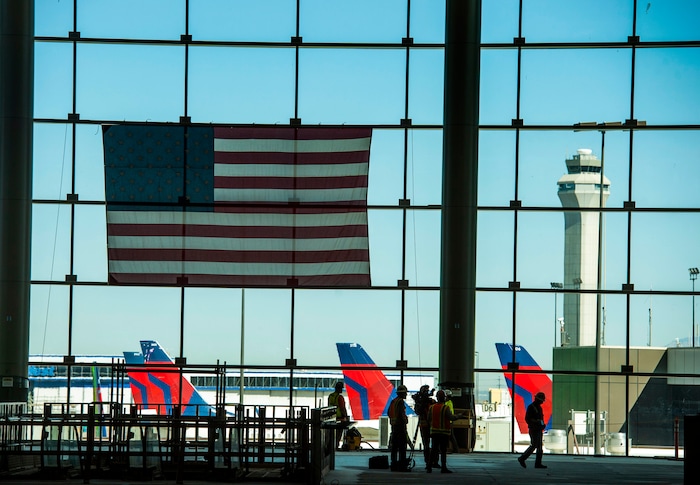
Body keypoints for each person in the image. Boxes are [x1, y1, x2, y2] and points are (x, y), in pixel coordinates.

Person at [427, 390, 466, 474]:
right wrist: (459, 416)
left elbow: (428, 419)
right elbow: (451, 417)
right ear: (444, 398)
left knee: (434, 450)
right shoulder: (445, 408)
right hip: (444, 433)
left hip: (434, 432)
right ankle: (443, 467)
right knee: (443, 451)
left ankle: (429, 467)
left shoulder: (432, 407)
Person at [518, 391, 547, 469]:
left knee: (539, 447)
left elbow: (540, 418)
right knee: (534, 445)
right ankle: (522, 458)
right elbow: (527, 419)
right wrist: (536, 422)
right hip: (534, 429)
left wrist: (542, 425)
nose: (542, 402)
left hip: (538, 429)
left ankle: (538, 463)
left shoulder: (538, 408)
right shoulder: (532, 407)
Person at [412, 385, 436, 468]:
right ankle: (428, 462)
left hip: (430, 425)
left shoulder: (431, 402)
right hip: (426, 425)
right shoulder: (420, 403)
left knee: (433, 445)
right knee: (426, 445)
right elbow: (418, 411)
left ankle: (433, 461)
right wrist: (421, 403)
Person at [388, 384, 409, 471]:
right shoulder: (400, 402)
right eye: (405, 393)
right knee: (402, 447)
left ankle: (394, 464)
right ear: (402, 393)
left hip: (394, 427)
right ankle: (402, 465)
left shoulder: (393, 401)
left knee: (394, 447)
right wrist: (405, 420)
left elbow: (389, 412)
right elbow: (401, 414)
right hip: (400, 427)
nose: (406, 394)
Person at [328, 381, 348, 449]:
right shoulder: (340, 397)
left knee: (331, 434)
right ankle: (336, 445)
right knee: (338, 434)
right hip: (340, 418)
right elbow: (342, 408)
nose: (341, 390)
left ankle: (331, 446)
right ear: (338, 389)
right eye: (341, 388)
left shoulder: (331, 396)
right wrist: (345, 416)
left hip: (331, 418)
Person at [443, 389, 461, 454]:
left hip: (448, 422)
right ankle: (456, 449)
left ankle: (456, 449)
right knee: (451, 437)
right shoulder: (449, 402)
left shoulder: (448, 403)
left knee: (450, 436)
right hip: (448, 422)